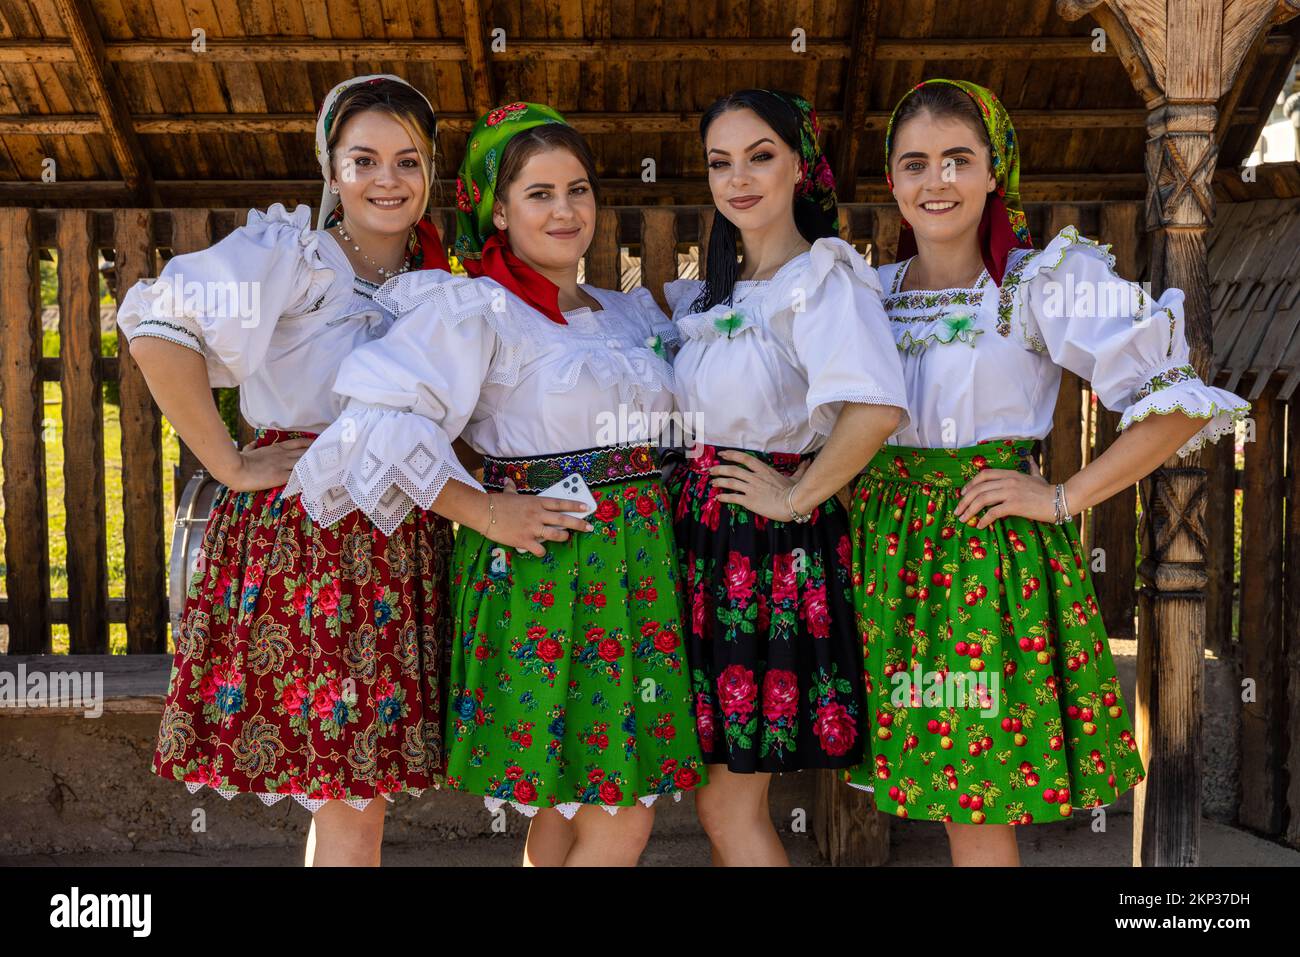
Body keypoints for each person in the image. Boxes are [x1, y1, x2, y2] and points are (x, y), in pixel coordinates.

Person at [842, 78, 1250, 866]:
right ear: (891, 180)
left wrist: (1063, 495)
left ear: (996, 172)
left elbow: (1183, 406)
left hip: (983, 559)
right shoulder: (868, 294)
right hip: (886, 562)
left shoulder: (1038, 284)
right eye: (916, 163)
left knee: (977, 799)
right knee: (931, 785)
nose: (938, 182)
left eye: (959, 160)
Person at [286, 102, 706, 867]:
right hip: (546, 571)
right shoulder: (478, 309)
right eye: (538, 193)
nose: (565, 209)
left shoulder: (627, 312)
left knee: (569, 804)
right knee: (620, 815)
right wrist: (483, 510)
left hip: (637, 576)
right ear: (499, 209)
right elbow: (376, 422)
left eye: (577, 189)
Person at [116, 74, 455, 866]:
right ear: (331, 169)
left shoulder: (437, 282)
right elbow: (158, 324)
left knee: (351, 795)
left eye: (407, 161)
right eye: (363, 159)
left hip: (401, 540)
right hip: (313, 539)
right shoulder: (292, 257)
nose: (386, 180)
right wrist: (230, 463)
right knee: (351, 799)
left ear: (431, 173)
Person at [663, 89, 909, 866]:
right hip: (703, 539)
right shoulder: (718, 292)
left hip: (760, 551)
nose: (739, 177)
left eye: (760, 156)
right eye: (720, 162)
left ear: (799, 166)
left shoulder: (823, 279)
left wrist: (795, 494)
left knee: (725, 798)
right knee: (717, 793)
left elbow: (875, 408)